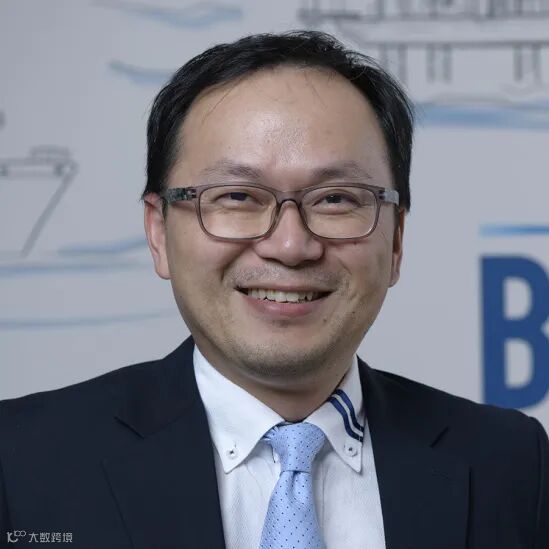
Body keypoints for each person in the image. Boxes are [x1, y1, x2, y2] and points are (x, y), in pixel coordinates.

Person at [0, 30, 547, 549]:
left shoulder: (512, 464)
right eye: (237, 197)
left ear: (397, 238)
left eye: (336, 199)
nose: (290, 245)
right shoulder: (21, 461)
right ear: (159, 232)